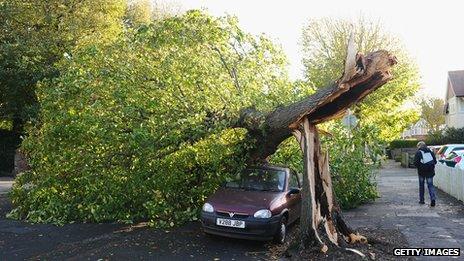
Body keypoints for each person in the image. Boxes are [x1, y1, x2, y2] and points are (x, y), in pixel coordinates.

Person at [413, 141, 437, 207]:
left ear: (419, 146)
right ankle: (433, 199)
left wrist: (420, 166)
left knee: (421, 186)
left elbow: (415, 163)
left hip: (421, 172)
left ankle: (422, 200)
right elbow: (435, 161)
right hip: (430, 172)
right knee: (430, 185)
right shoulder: (430, 152)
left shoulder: (418, 153)